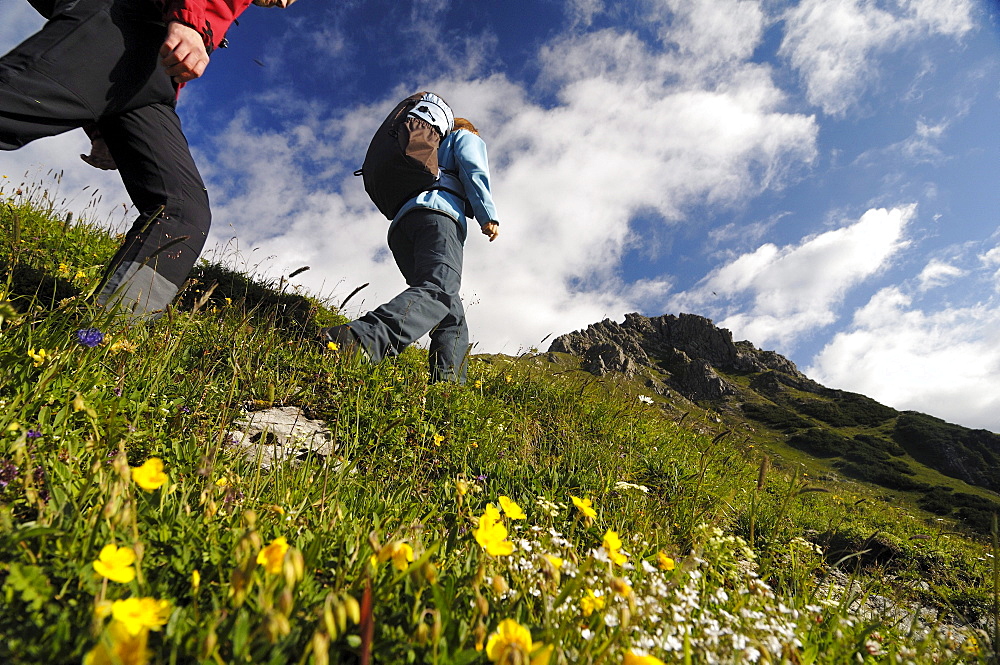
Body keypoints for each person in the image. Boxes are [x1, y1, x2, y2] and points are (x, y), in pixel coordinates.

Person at [1, 0, 297, 319]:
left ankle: (104, 335)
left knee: (183, 212)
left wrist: (104, 132)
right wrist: (191, 21)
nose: (286, 3)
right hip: (128, 22)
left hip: (151, 78)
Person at [323, 117, 500, 384]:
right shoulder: (464, 137)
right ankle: (358, 340)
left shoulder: (429, 150)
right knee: (439, 290)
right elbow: (473, 168)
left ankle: (449, 387)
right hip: (439, 215)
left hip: (403, 226)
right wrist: (487, 214)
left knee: (451, 314)